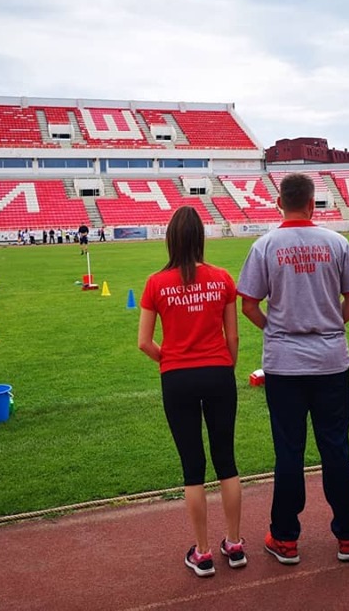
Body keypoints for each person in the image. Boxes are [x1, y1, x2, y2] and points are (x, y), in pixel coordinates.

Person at [237, 172, 349, 565]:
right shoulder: (337, 242)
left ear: (279, 203)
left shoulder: (265, 246)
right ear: (313, 204)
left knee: (288, 451)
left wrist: (277, 330)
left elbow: (248, 304)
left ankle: (285, 537)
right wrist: (330, 326)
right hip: (330, 360)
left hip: (285, 364)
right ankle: (347, 534)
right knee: (335, 448)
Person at [138, 206, 244, 578]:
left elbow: (144, 342)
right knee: (226, 461)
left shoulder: (155, 283)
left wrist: (170, 360)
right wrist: (223, 367)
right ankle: (234, 543)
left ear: (170, 239)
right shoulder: (222, 278)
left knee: (192, 468)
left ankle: (202, 552)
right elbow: (233, 337)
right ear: (200, 239)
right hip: (218, 373)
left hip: (177, 378)